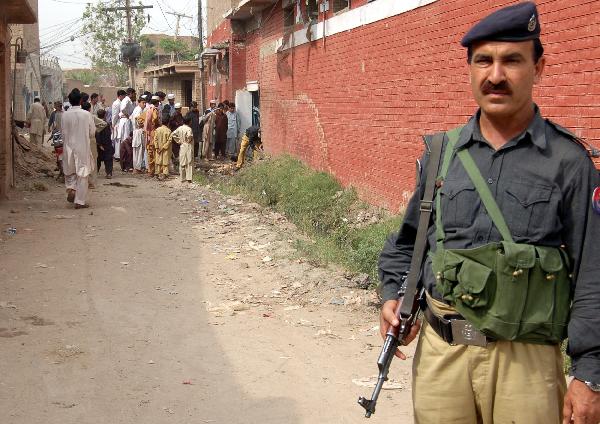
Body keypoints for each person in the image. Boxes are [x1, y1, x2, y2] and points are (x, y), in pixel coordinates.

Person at [377, 3, 600, 424]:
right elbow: (407, 243)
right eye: (484, 61)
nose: (495, 75)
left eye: (512, 60)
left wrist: (590, 374)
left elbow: (595, 272)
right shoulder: (442, 155)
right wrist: (393, 296)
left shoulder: (568, 163)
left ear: (539, 67)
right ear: (470, 69)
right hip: (443, 357)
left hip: (526, 363)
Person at [61, 90, 95, 209]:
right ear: (81, 101)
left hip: (69, 146)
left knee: (70, 170)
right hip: (83, 147)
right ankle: (80, 201)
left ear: (69, 101)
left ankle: (71, 187)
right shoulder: (86, 114)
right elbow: (92, 132)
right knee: (83, 173)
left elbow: (62, 132)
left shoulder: (64, 115)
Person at [171, 115, 194, 183]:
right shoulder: (189, 129)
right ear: (189, 122)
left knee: (182, 161)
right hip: (188, 145)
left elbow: (173, 134)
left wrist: (178, 141)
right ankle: (189, 178)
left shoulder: (180, 128)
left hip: (182, 146)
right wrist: (188, 140)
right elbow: (189, 136)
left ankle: (182, 178)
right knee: (189, 161)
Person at [145, 95, 161, 177]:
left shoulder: (148, 109)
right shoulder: (154, 109)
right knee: (153, 151)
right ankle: (153, 171)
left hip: (149, 132)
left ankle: (151, 170)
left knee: (150, 151)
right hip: (153, 132)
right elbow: (154, 119)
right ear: (157, 102)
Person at [95, 109, 113, 179]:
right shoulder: (106, 124)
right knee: (108, 159)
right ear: (105, 115)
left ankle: (95, 173)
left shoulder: (96, 124)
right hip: (106, 144)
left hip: (98, 144)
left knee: (97, 160)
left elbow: (96, 134)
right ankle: (109, 173)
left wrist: (99, 144)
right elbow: (108, 134)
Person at [153, 116, 172, 180]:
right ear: (168, 123)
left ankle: (157, 173)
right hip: (165, 149)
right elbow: (169, 141)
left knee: (158, 161)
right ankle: (165, 174)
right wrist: (163, 147)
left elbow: (155, 139)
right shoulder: (168, 131)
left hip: (158, 148)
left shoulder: (157, 130)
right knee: (165, 162)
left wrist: (157, 147)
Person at [111, 89, 126, 160]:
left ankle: (119, 154)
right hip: (117, 122)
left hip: (121, 122)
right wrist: (113, 124)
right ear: (120, 96)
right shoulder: (116, 103)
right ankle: (117, 155)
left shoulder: (122, 102)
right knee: (117, 138)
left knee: (120, 138)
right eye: (123, 96)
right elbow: (114, 115)